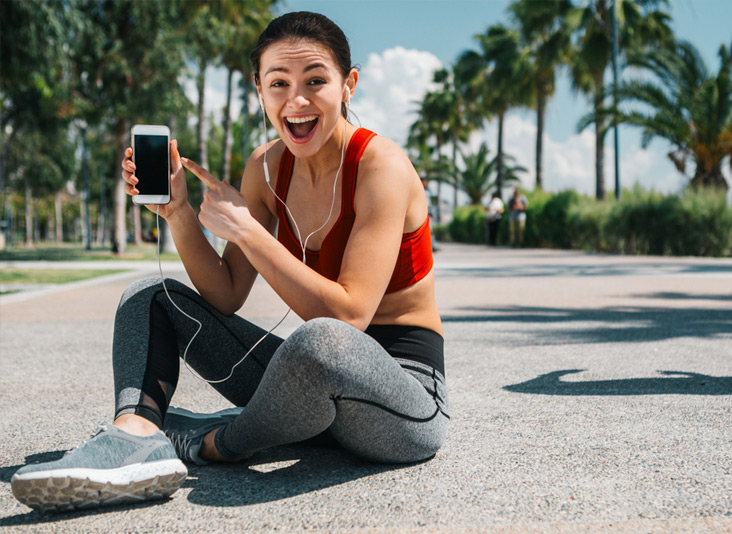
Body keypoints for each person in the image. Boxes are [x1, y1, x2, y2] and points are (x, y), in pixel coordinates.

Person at [11, 11, 449, 513]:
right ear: (260, 91)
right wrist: (178, 212)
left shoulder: (381, 167)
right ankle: (135, 436)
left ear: (348, 85)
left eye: (316, 81)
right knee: (152, 297)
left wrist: (246, 228)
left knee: (321, 343)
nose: (297, 100)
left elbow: (348, 319)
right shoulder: (265, 168)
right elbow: (224, 293)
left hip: (404, 401)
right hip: (309, 388)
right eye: (278, 83)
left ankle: (212, 442)